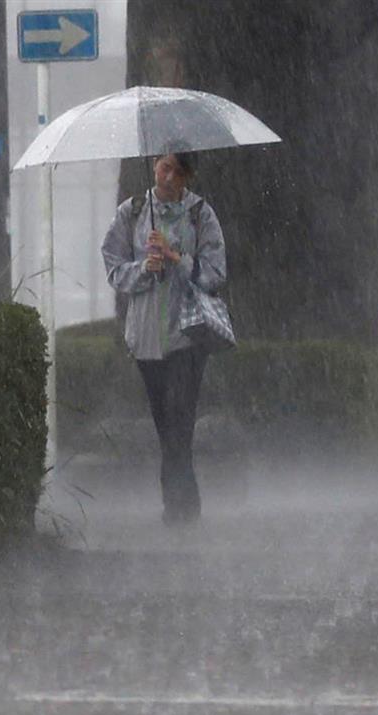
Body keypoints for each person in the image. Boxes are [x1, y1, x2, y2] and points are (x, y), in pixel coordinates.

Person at [101, 152, 227, 525]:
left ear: (189, 176)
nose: (169, 177)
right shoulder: (133, 211)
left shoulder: (200, 214)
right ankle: (182, 501)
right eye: (165, 167)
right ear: (155, 164)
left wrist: (177, 258)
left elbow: (216, 272)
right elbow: (113, 265)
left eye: (179, 171)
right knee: (165, 422)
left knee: (180, 418)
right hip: (146, 337)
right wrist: (144, 269)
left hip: (187, 335)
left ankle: (180, 507)